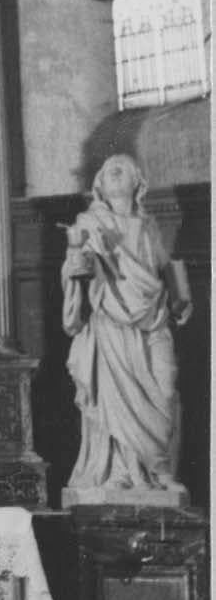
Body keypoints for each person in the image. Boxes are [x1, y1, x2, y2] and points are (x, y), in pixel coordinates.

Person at [61, 152, 191, 495]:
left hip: (153, 319)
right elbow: (76, 269)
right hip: (111, 323)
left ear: (138, 182)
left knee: (165, 389)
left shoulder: (148, 226)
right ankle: (120, 471)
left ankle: (159, 469)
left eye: (123, 169)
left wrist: (182, 297)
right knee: (115, 398)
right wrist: (78, 266)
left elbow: (165, 268)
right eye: (109, 171)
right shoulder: (89, 222)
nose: (115, 172)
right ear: (99, 185)